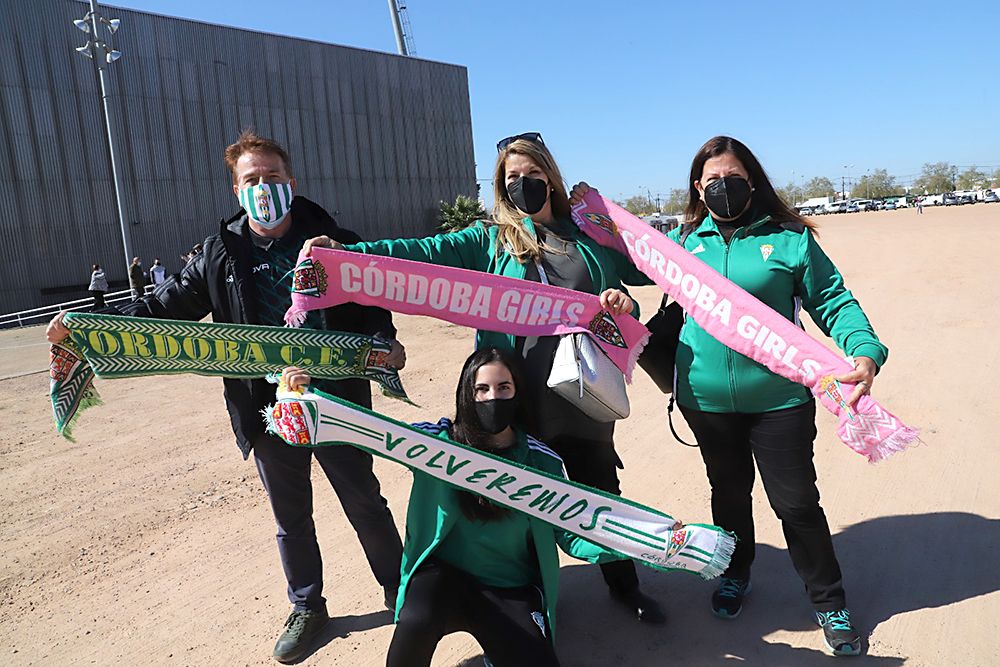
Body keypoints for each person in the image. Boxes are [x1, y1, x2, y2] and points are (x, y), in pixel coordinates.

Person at [46, 130, 405, 664]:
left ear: (293, 181)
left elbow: (372, 308)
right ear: (237, 190)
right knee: (292, 517)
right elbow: (164, 311)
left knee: (364, 502)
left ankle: (400, 591)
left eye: (273, 178)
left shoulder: (335, 241)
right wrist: (91, 327)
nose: (265, 188)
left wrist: (385, 343)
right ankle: (308, 607)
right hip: (265, 410)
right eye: (252, 180)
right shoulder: (220, 251)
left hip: (337, 402)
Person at [304, 133, 665, 624]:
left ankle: (624, 585)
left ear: (551, 179)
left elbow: (622, 301)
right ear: (501, 187)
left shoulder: (585, 240)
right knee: (516, 505)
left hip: (581, 401)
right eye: (512, 179)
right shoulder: (489, 239)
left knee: (597, 491)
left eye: (532, 176)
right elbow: (417, 252)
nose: (523, 185)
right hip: (510, 404)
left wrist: (624, 304)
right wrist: (346, 253)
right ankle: (530, 598)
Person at [617, 135, 884, 656]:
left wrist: (864, 350)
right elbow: (626, 260)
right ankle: (735, 574)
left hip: (779, 400)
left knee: (798, 503)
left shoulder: (789, 240)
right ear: (698, 187)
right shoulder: (684, 244)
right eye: (712, 181)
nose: (723, 188)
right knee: (729, 494)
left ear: (753, 181)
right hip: (706, 402)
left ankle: (829, 600)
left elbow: (833, 300)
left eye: (734, 179)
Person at [282, 348, 677, 667]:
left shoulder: (541, 463)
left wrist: (651, 540)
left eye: (503, 388)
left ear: (518, 393)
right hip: (443, 578)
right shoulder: (436, 444)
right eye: (482, 390)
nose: (492, 398)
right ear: (467, 396)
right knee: (413, 625)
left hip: (510, 587)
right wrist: (305, 401)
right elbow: (369, 432)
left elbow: (574, 529)